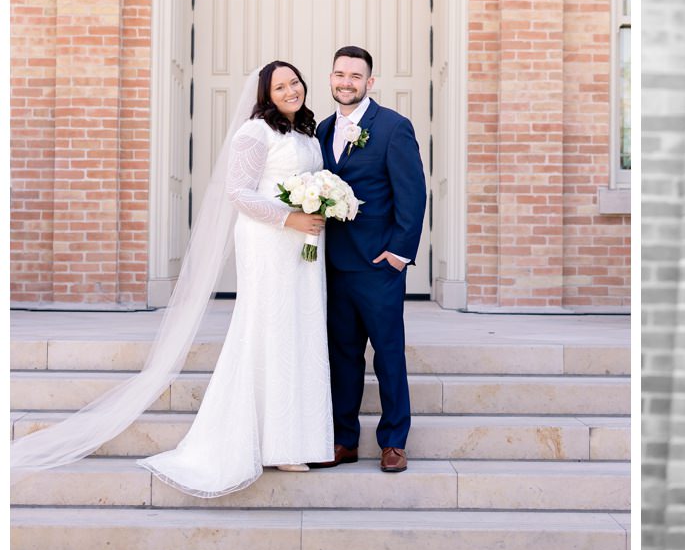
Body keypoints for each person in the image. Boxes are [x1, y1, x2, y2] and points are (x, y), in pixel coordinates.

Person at [11, 62, 335, 497]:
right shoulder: (255, 132)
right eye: (280, 86)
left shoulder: (306, 133)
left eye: (294, 81)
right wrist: (290, 218)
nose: (291, 90)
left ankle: (300, 437)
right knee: (272, 330)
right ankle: (273, 443)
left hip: (304, 245)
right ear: (265, 93)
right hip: (270, 241)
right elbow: (238, 192)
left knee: (300, 331)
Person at [309, 45, 426, 474]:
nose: (346, 82)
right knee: (341, 355)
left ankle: (394, 441)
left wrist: (398, 255)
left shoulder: (394, 127)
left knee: (388, 353)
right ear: (331, 78)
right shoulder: (321, 130)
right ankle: (344, 439)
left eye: (355, 76)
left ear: (369, 82)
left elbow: (412, 195)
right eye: (339, 74)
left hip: (378, 265)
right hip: (334, 266)